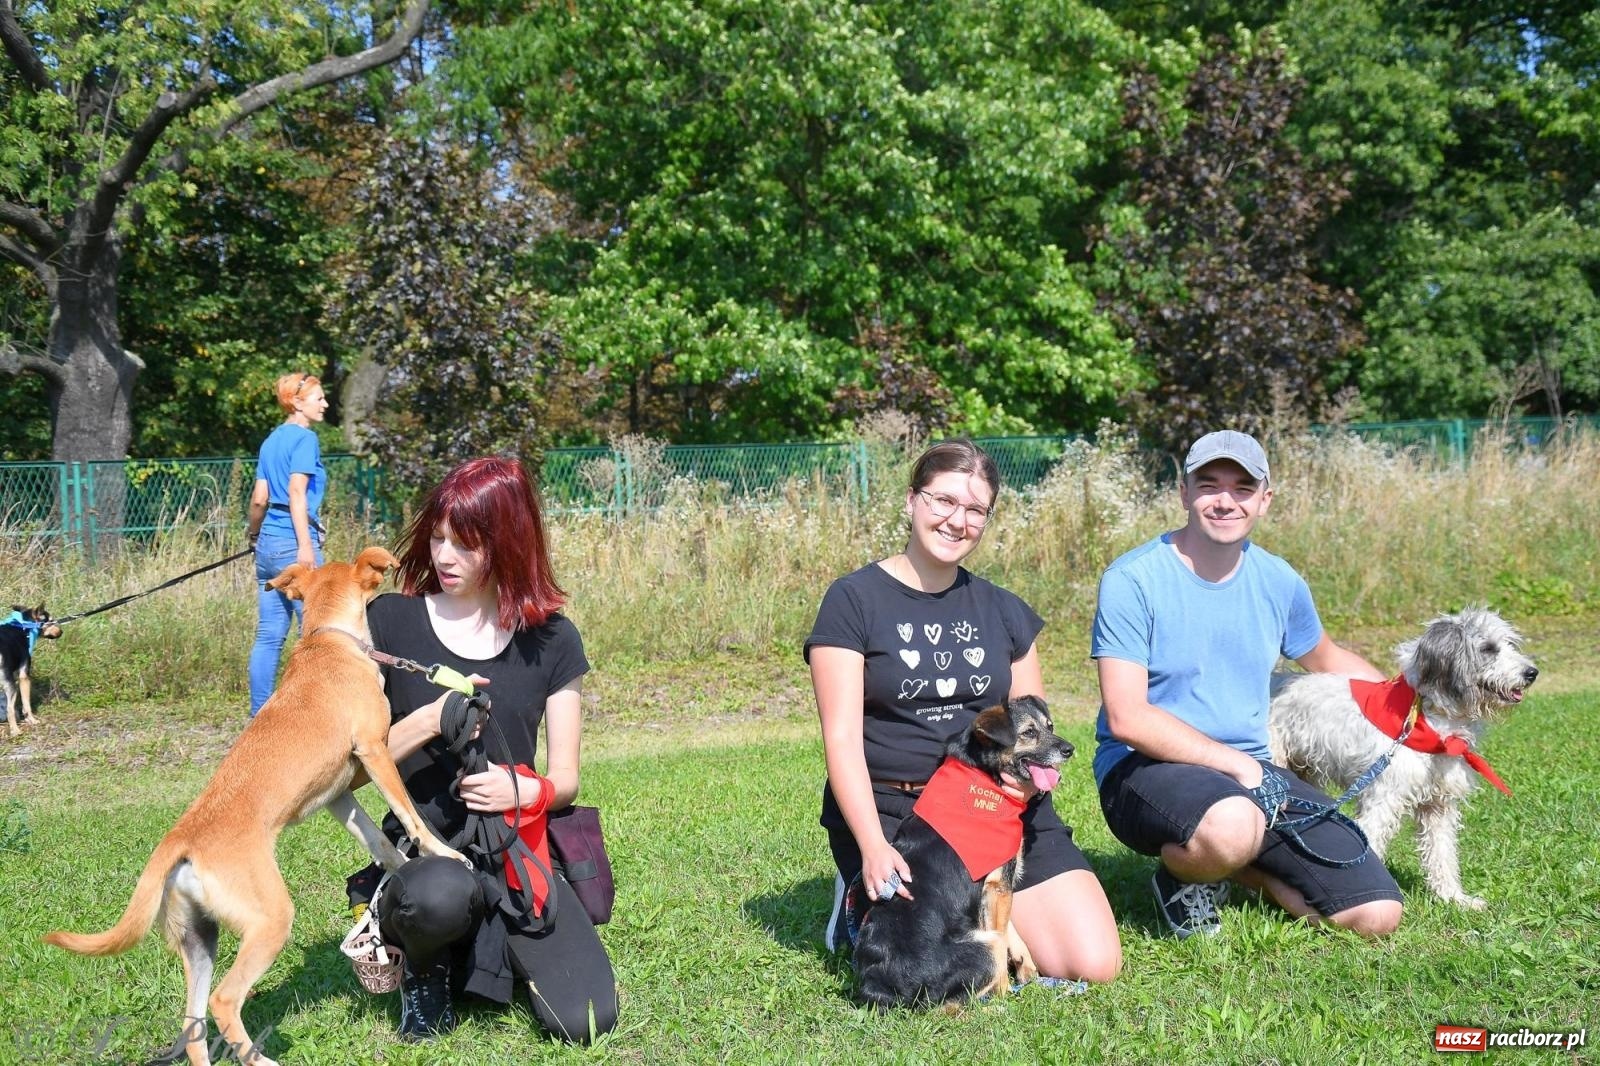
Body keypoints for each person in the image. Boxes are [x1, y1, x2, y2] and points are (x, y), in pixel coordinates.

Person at [805, 439, 1122, 985]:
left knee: (1091, 964)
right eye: (943, 501)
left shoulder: (1003, 610)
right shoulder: (853, 600)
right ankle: (857, 885)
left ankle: (988, 903)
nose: (958, 521)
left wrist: (1023, 795)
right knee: (928, 966)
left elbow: (1037, 733)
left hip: (997, 806)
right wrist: (874, 846)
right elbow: (842, 741)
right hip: (902, 816)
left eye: (976, 509)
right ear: (911, 501)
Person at [1092, 429, 1404, 940]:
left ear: (1265, 499)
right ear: (1184, 492)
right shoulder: (1133, 579)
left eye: (1242, 487)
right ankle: (1183, 877)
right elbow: (1128, 717)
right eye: (1209, 484)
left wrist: (1403, 703)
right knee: (1234, 821)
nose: (1225, 500)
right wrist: (1238, 766)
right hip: (1144, 767)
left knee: (1373, 915)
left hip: (1249, 774)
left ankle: (1236, 867)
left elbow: (1326, 658)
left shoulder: (1279, 580)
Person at [348, 455, 618, 1045]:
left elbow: (567, 778)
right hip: (426, 853)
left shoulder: (553, 640)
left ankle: (486, 948)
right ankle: (425, 968)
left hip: (518, 854)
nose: (444, 557)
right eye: (438, 538)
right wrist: (425, 718)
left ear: (508, 544)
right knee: (436, 896)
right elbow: (349, 770)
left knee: (586, 1020)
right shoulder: (388, 624)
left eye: (465, 544)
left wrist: (527, 790)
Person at [245, 371, 329, 716]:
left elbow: (259, 499)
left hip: (268, 545)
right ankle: (314, 712)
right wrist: (305, 545)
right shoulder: (304, 439)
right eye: (319, 398)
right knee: (316, 635)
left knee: (268, 636)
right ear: (297, 402)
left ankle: (258, 714)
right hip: (295, 545)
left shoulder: (270, 441)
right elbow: (296, 492)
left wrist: (253, 535)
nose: (325, 404)